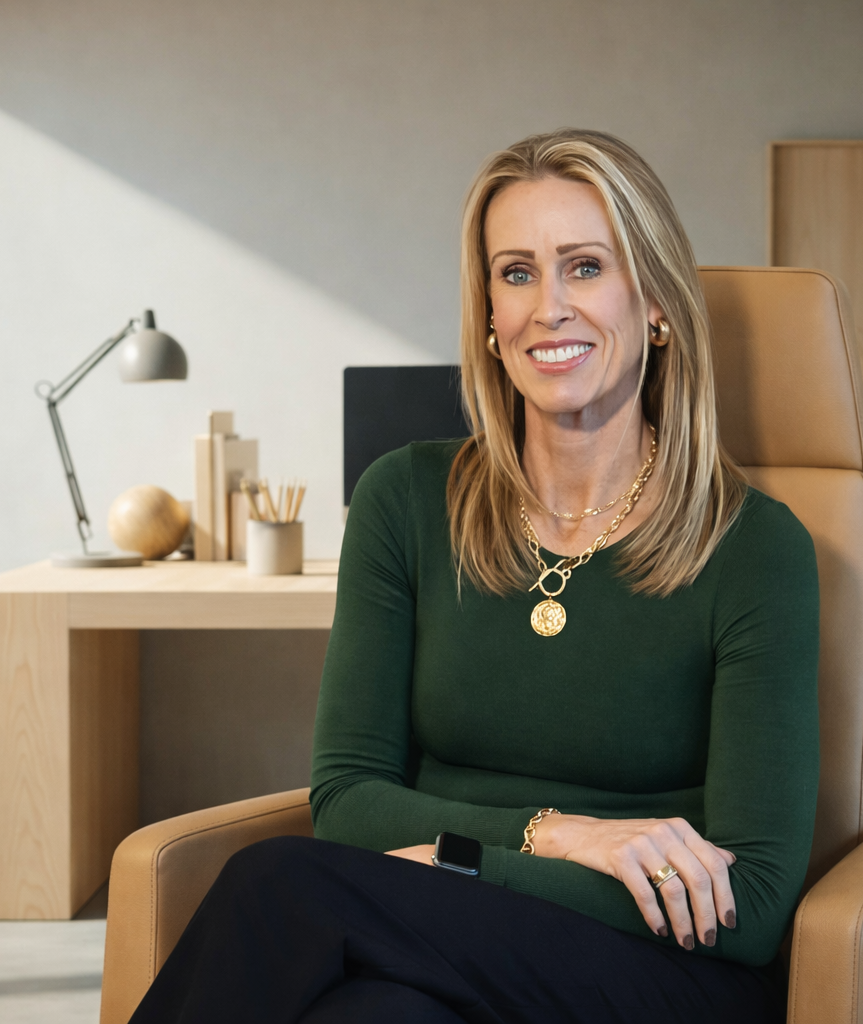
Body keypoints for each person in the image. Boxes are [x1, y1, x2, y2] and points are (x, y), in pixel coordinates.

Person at [130, 128, 819, 1024]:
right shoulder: (405, 500)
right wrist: (560, 836)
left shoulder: (756, 547)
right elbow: (348, 803)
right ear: (489, 317)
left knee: (279, 884)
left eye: (584, 267)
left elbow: (753, 904)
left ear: (655, 303)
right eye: (517, 274)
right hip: (432, 942)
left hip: (655, 969)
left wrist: (451, 862)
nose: (548, 308)